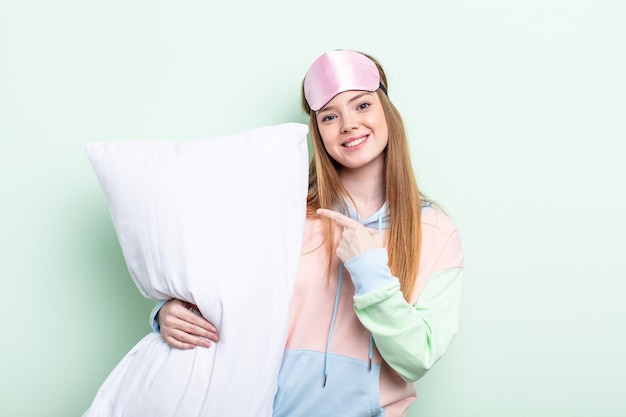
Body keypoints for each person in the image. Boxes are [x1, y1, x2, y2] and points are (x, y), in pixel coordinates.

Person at [152, 50, 464, 416]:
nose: (348, 124)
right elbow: (220, 290)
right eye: (330, 116)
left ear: (386, 111)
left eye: (361, 105)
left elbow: (417, 358)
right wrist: (168, 312)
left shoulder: (436, 232)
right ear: (318, 132)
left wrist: (370, 271)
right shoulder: (284, 213)